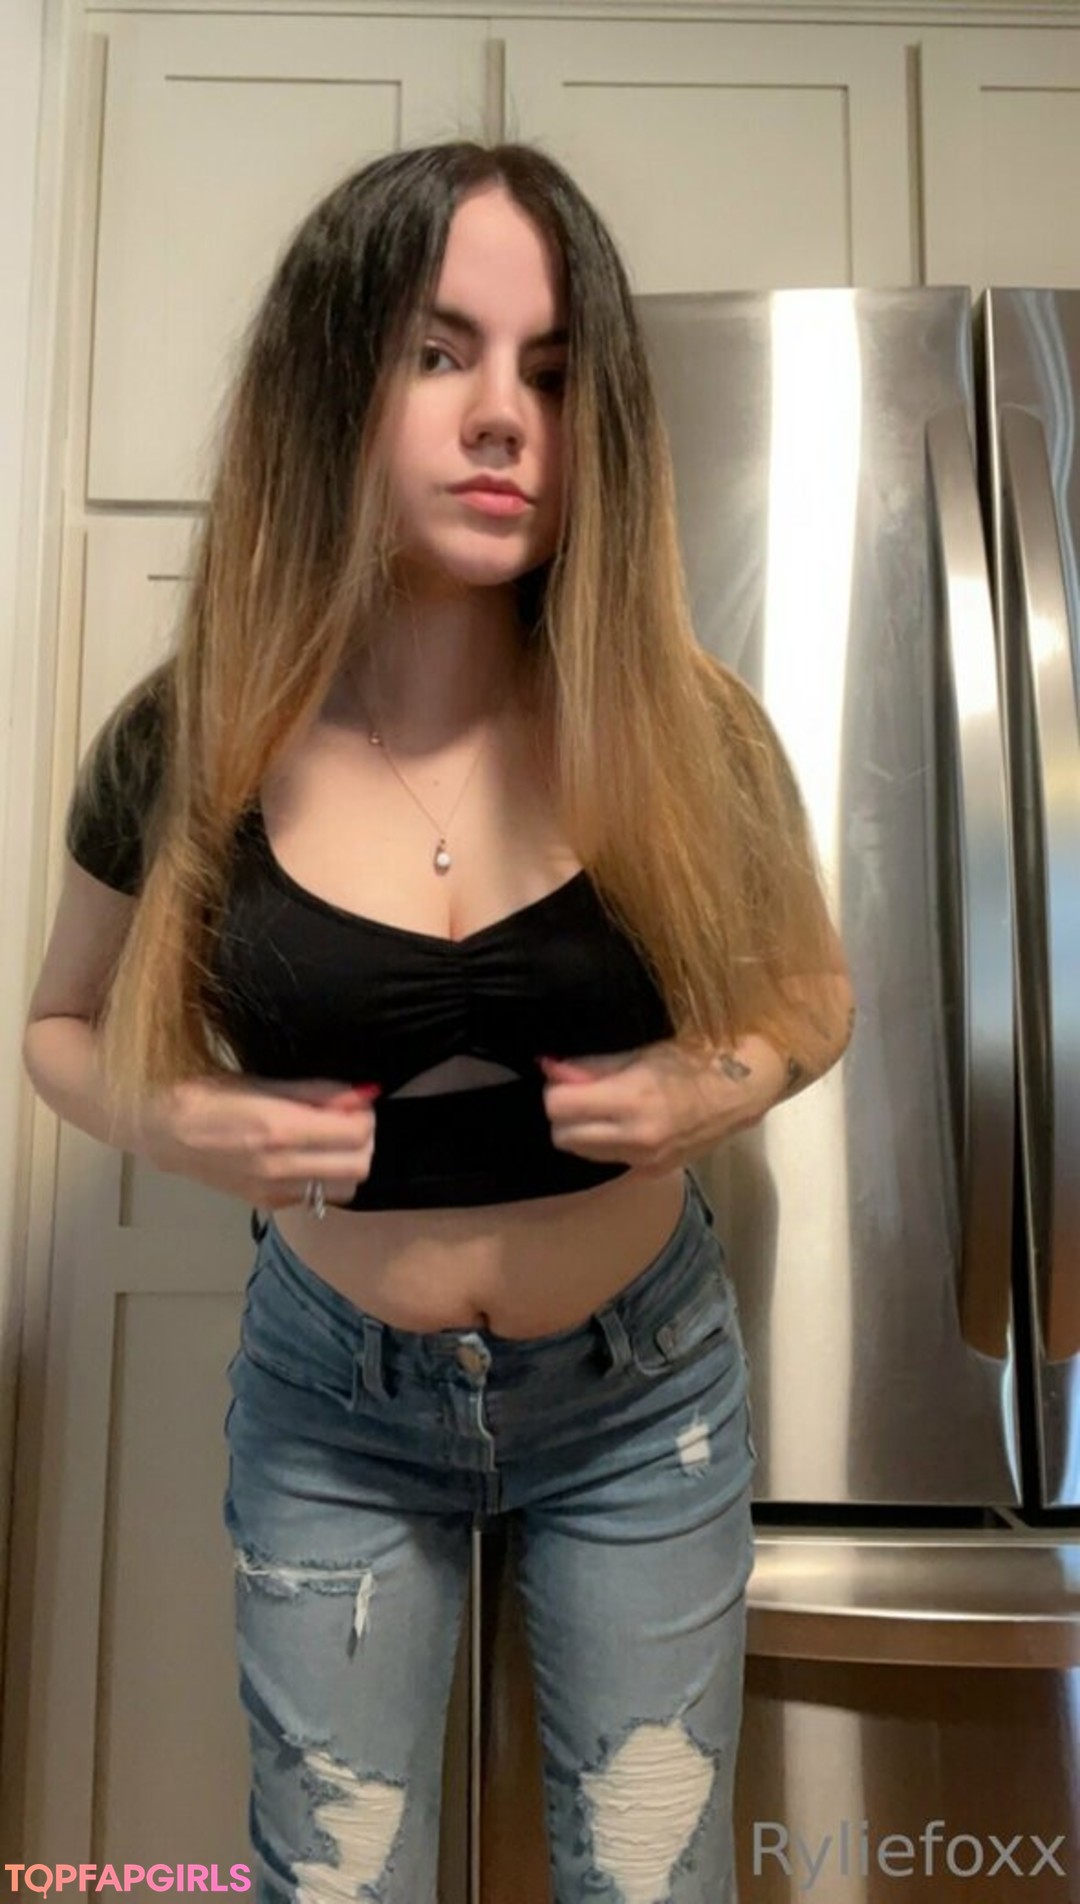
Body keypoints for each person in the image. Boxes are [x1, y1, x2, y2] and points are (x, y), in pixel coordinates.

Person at [23, 139, 853, 1903]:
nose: (504, 420)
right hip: (332, 1407)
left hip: (644, 1403)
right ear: (331, 381)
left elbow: (814, 997)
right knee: (338, 1878)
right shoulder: (189, 735)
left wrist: (718, 1085)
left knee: (656, 1877)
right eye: (437, 353)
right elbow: (60, 1026)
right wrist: (174, 1119)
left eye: (551, 373)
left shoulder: (689, 728)